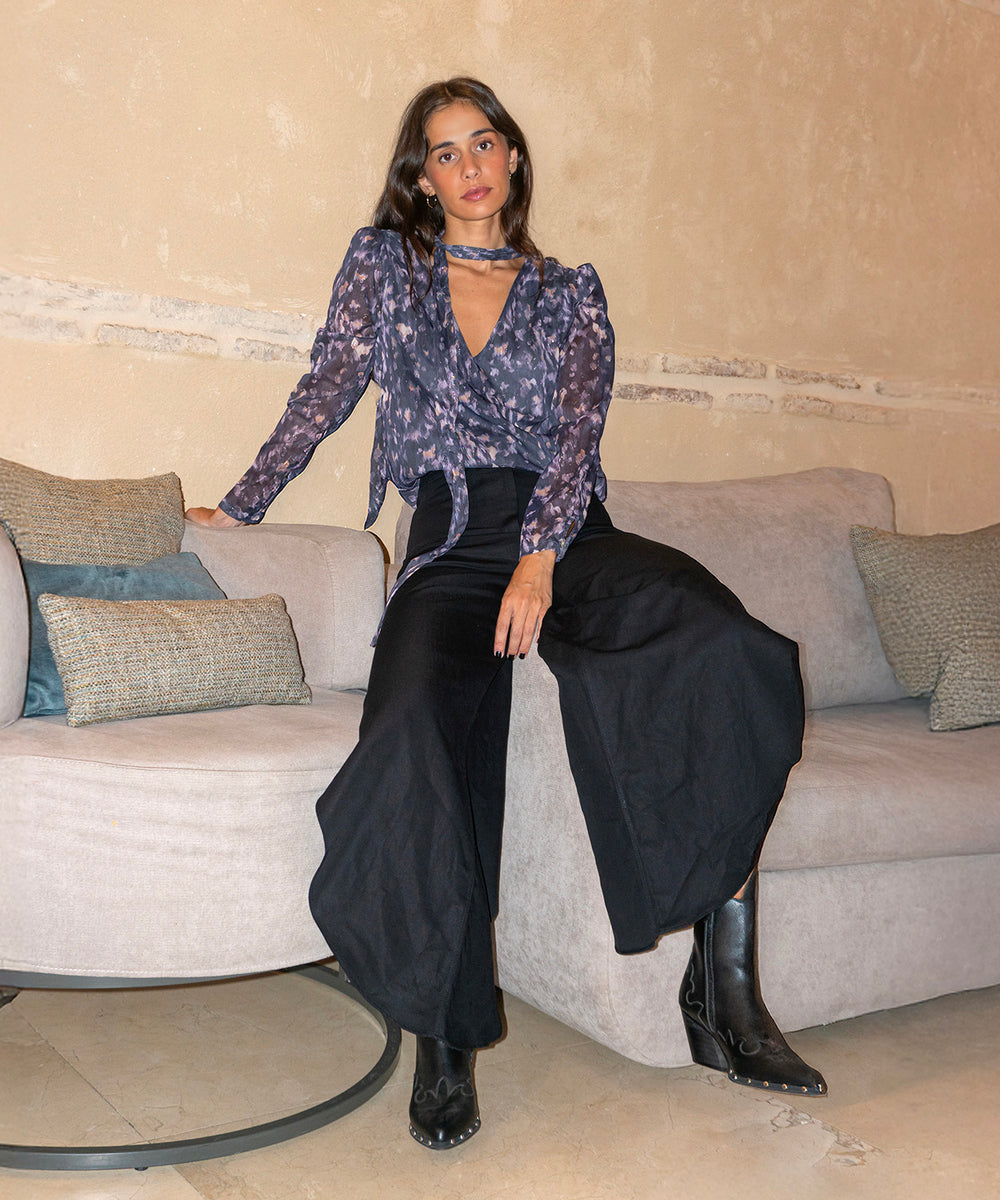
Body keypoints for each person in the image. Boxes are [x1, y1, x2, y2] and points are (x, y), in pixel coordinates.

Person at [187, 76, 826, 1151]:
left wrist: (539, 556)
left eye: (482, 142)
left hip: (567, 532)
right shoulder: (387, 268)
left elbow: (576, 438)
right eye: (444, 152)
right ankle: (444, 1037)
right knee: (410, 729)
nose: (469, 164)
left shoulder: (571, 293)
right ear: (422, 180)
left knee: (725, 645)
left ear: (512, 156)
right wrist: (242, 503)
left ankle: (722, 993)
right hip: (449, 539)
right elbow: (327, 388)